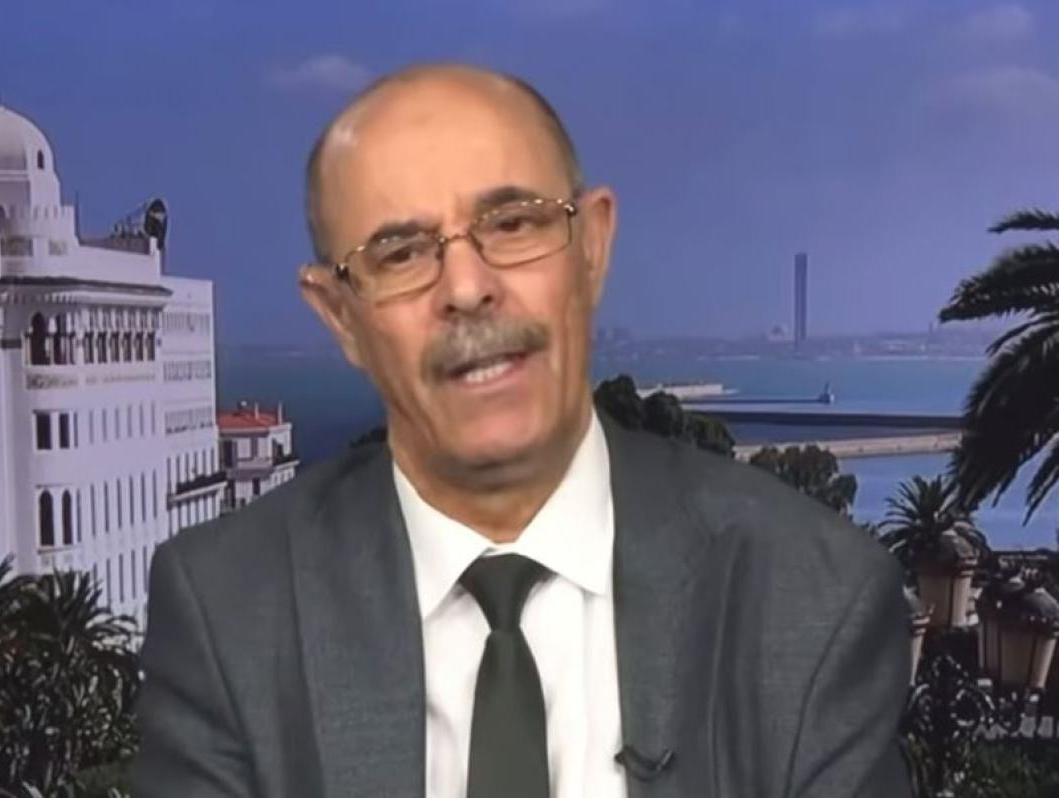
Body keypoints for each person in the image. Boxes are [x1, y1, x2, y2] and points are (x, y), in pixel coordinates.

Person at [131, 63, 912, 798]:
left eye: (511, 224)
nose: (468, 288)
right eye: (401, 254)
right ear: (340, 316)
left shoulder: (811, 598)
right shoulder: (229, 611)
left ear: (592, 247)